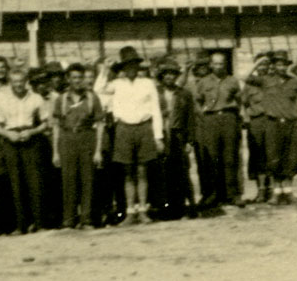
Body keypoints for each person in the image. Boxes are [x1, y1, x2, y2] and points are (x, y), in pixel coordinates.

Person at [97, 47, 166, 225]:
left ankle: (143, 210)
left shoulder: (147, 83)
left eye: (134, 64)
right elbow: (98, 89)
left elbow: (156, 110)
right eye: (127, 65)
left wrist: (158, 137)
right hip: (124, 129)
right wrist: (105, 70)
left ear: (138, 65)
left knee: (142, 171)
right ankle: (130, 212)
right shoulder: (117, 84)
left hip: (144, 128)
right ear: (123, 67)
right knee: (127, 172)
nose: (131, 68)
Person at [0, 66, 46, 235]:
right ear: (10, 83)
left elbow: (45, 123)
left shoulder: (36, 98)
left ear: (26, 81)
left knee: (34, 182)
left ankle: (38, 223)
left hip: (30, 139)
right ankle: (20, 225)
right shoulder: (2, 99)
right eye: (15, 82)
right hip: (11, 141)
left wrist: (32, 132)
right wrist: (8, 134)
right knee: (15, 183)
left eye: (21, 81)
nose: (18, 84)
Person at [51, 63, 105, 230]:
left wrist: (98, 150)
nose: (77, 81)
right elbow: (56, 126)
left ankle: (86, 219)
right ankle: (69, 220)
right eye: (73, 78)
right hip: (67, 139)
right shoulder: (61, 99)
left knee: (87, 179)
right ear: (68, 79)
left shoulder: (91, 98)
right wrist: (55, 152)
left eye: (80, 78)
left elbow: (100, 123)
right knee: (68, 180)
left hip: (86, 138)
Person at [245, 50, 297, 203]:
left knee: (291, 158)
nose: (281, 68)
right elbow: (246, 77)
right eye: (278, 64)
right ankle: (277, 193)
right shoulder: (266, 80)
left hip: (291, 124)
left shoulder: (294, 81)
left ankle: (289, 192)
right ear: (274, 66)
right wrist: (259, 62)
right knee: (274, 158)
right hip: (272, 123)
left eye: (284, 64)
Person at [191, 49, 243, 209]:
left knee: (230, 157)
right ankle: (211, 195)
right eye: (215, 63)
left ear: (225, 64)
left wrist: (234, 116)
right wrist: (204, 115)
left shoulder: (233, 81)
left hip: (228, 118)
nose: (218, 66)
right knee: (211, 158)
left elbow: (239, 100)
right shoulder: (203, 82)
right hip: (210, 120)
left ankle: (233, 194)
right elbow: (198, 101)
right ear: (211, 65)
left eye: (221, 63)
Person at [151, 59, 194, 219]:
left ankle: (180, 208)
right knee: (161, 173)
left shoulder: (184, 94)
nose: (169, 77)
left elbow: (190, 118)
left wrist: (190, 141)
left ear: (177, 76)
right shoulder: (155, 92)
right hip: (160, 135)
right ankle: (163, 209)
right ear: (162, 76)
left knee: (180, 172)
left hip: (177, 136)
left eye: (173, 74)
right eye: (166, 74)